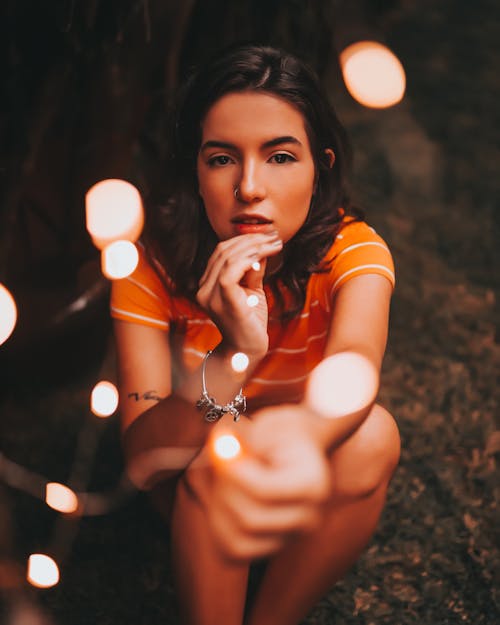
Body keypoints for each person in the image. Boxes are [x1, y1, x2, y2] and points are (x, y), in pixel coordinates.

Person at [111, 44, 401, 625]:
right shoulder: (150, 265)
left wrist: (297, 435)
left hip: (305, 474)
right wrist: (234, 351)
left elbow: (355, 367)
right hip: (193, 484)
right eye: (221, 159)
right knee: (226, 454)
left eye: (280, 158)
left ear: (319, 170)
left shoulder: (353, 250)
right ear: (195, 171)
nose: (249, 187)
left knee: (375, 435)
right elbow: (144, 459)